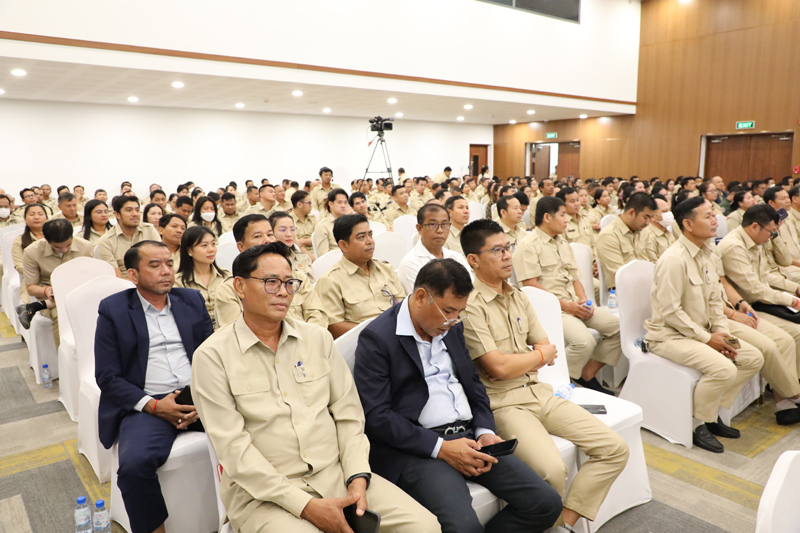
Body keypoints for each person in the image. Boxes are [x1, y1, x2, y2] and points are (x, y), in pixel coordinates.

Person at [193, 243, 439, 533]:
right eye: (271, 282)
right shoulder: (212, 357)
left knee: (424, 526)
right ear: (240, 286)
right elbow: (233, 450)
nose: (283, 292)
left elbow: (349, 416)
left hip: (336, 475)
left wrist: (357, 477)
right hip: (266, 495)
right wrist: (305, 505)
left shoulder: (317, 339)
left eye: (289, 283)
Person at [354, 258, 562, 533]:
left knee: (546, 503)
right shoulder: (378, 337)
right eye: (448, 311)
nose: (452, 321)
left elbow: (473, 384)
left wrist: (485, 430)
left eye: (460, 312)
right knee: (463, 527)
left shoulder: (451, 327)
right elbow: (377, 416)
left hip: (470, 437)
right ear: (421, 297)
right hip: (420, 447)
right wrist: (441, 447)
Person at [461, 219, 628, 532]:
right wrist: (535, 357)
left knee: (614, 449)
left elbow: (547, 348)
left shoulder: (519, 296)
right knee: (552, 470)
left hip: (539, 391)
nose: (507, 256)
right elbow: (499, 368)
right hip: (504, 403)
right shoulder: (469, 305)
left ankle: (562, 524)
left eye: (507, 248)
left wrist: (528, 359)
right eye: (497, 250)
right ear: (474, 260)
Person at [94, 240, 213, 533]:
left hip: (198, 394)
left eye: (169, 263)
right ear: (133, 275)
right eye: (155, 265)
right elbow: (107, 376)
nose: (166, 271)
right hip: (147, 403)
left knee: (259, 430)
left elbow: (214, 355)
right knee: (134, 466)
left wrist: (202, 399)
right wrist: (155, 406)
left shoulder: (191, 300)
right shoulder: (114, 309)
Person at [646, 197, 764, 452]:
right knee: (724, 369)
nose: (715, 221)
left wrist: (721, 333)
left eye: (714, 214)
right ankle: (696, 423)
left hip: (703, 332)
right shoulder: (674, 260)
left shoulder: (708, 252)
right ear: (688, 224)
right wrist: (708, 339)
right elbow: (670, 313)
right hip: (670, 336)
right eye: (708, 216)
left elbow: (714, 302)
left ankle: (711, 413)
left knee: (753, 357)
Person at [514, 198, 621, 395]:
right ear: (547, 217)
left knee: (618, 328)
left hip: (573, 304)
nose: (567, 219)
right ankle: (558, 381)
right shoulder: (528, 245)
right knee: (584, 342)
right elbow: (530, 285)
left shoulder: (563, 243)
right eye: (562, 215)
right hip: (552, 310)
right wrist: (566, 306)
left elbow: (575, 278)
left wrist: (584, 301)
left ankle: (585, 374)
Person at [719, 204, 800, 362]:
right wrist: (792, 301)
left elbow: (763, 276)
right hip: (747, 306)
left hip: (753, 302)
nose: (772, 236)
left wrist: (794, 288)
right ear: (755, 227)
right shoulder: (734, 246)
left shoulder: (755, 242)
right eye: (771, 232)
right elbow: (754, 289)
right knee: (788, 338)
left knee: (795, 331)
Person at [215, 215, 326, 329]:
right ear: (241, 247)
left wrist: (304, 338)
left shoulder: (297, 278)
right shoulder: (230, 289)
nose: (267, 240)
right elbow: (235, 332)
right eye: (258, 236)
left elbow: (318, 317)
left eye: (270, 235)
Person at [315, 214, 406, 339]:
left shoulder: (386, 268)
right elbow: (333, 326)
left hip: (399, 335)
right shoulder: (330, 280)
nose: (370, 241)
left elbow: (403, 306)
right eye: (361, 237)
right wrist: (377, 333)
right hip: (365, 342)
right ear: (343, 245)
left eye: (370, 235)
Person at [16, 218, 93, 335]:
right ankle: (64, 347)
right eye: (58, 247)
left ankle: (34, 307)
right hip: (50, 293)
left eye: (68, 244)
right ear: (46, 240)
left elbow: (91, 276)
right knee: (62, 314)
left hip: (79, 289)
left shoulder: (85, 246)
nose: (65, 250)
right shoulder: (32, 252)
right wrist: (47, 290)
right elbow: (31, 288)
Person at [397, 205, 471, 293]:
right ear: (419, 229)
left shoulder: (456, 257)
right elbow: (423, 299)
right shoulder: (410, 263)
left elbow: (471, 290)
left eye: (444, 224)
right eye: (433, 224)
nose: (440, 230)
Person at [596, 192, 656, 290]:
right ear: (631, 213)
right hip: (624, 291)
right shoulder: (609, 236)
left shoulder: (643, 232)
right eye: (645, 217)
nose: (648, 222)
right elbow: (620, 276)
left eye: (650, 218)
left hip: (648, 284)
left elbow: (654, 262)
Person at [173, 226, 229, 329]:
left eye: (213, 244)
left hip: (227, 330)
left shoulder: (227, 276)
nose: (211, 249)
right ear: (189, 251)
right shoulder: (178, 282)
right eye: (204, 245)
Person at [97, 196, 161, 279]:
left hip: (154, 279)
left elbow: (161, 260)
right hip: (125, 284)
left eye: (137, 210)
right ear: (117, 215)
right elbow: (116, 278)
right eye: (129, 210)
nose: (135, 214)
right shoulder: (106, 241)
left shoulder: (149, 229)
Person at [268, 211, 315, 282]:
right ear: (271, 233)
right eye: (283, 230)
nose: (289, 234)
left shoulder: (303, 258)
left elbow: (314, 285)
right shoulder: (266, 261)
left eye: (292, 229)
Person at [312, 188, 349, 255]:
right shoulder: (322, 226)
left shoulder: (352, 223)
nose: (343, 206)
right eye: (339, 202)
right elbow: (324, 255)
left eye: (345, 202)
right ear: (331, 204)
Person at [640, 195, 675, 262]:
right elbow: (653, 263)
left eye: (669, 210)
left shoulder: (667, 232)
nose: (669, 213)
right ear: (653, 215)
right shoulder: (648, 236)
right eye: (665, 211)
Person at [290, 190, 317, 255]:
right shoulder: (289, 220)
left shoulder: (313, 218)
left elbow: (318, 238)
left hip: (317, 251)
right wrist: (313, 259)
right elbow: (296, 244)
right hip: (300, 254)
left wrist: (302, 241)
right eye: (309, 203)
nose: (311, 206)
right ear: (300, 204)